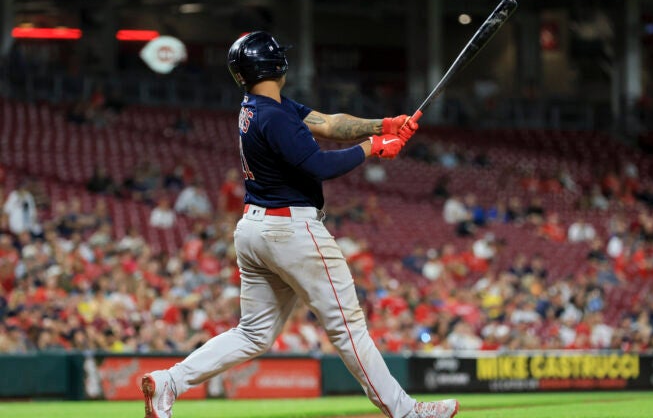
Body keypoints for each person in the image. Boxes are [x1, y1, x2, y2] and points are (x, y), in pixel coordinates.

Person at [140, 31, 458, 418]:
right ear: (276, 65)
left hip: (255, 229)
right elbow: (319, 166)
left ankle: (170, 382)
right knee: (348, 327)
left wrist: (383, 125)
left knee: (253, 333)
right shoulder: (274, 116)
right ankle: (406, 412)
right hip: (292, 230)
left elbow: (328, 123)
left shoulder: (260, 106)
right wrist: (373, 148)